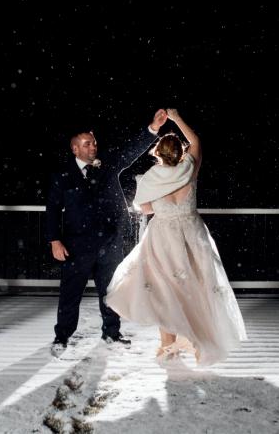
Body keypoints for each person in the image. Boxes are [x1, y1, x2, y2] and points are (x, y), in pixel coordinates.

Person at [105, 109, 247, 366]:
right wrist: (177, 118)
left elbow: (144, 209)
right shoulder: (189, 170)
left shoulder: (152, 178)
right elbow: (196, 141)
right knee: (195, 288)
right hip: (192, 233)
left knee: (164, 289)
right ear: (181, 152)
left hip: (163, 236)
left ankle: (167, 344)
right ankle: (196, 341)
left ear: (158, 154)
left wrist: (161, 204)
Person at [45, 109, 169, 352]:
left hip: (109, 242)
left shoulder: (108, 164)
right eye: (87, 144)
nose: (93, 147)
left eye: (94, 143)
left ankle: (111, 333)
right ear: (75, 149)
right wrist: (54, 240)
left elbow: (131, 151)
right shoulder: (63, 175)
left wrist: (153, 128)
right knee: (70, 293)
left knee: (111, 291)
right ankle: (62, 337)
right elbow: (52, 210)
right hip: (75, 246)